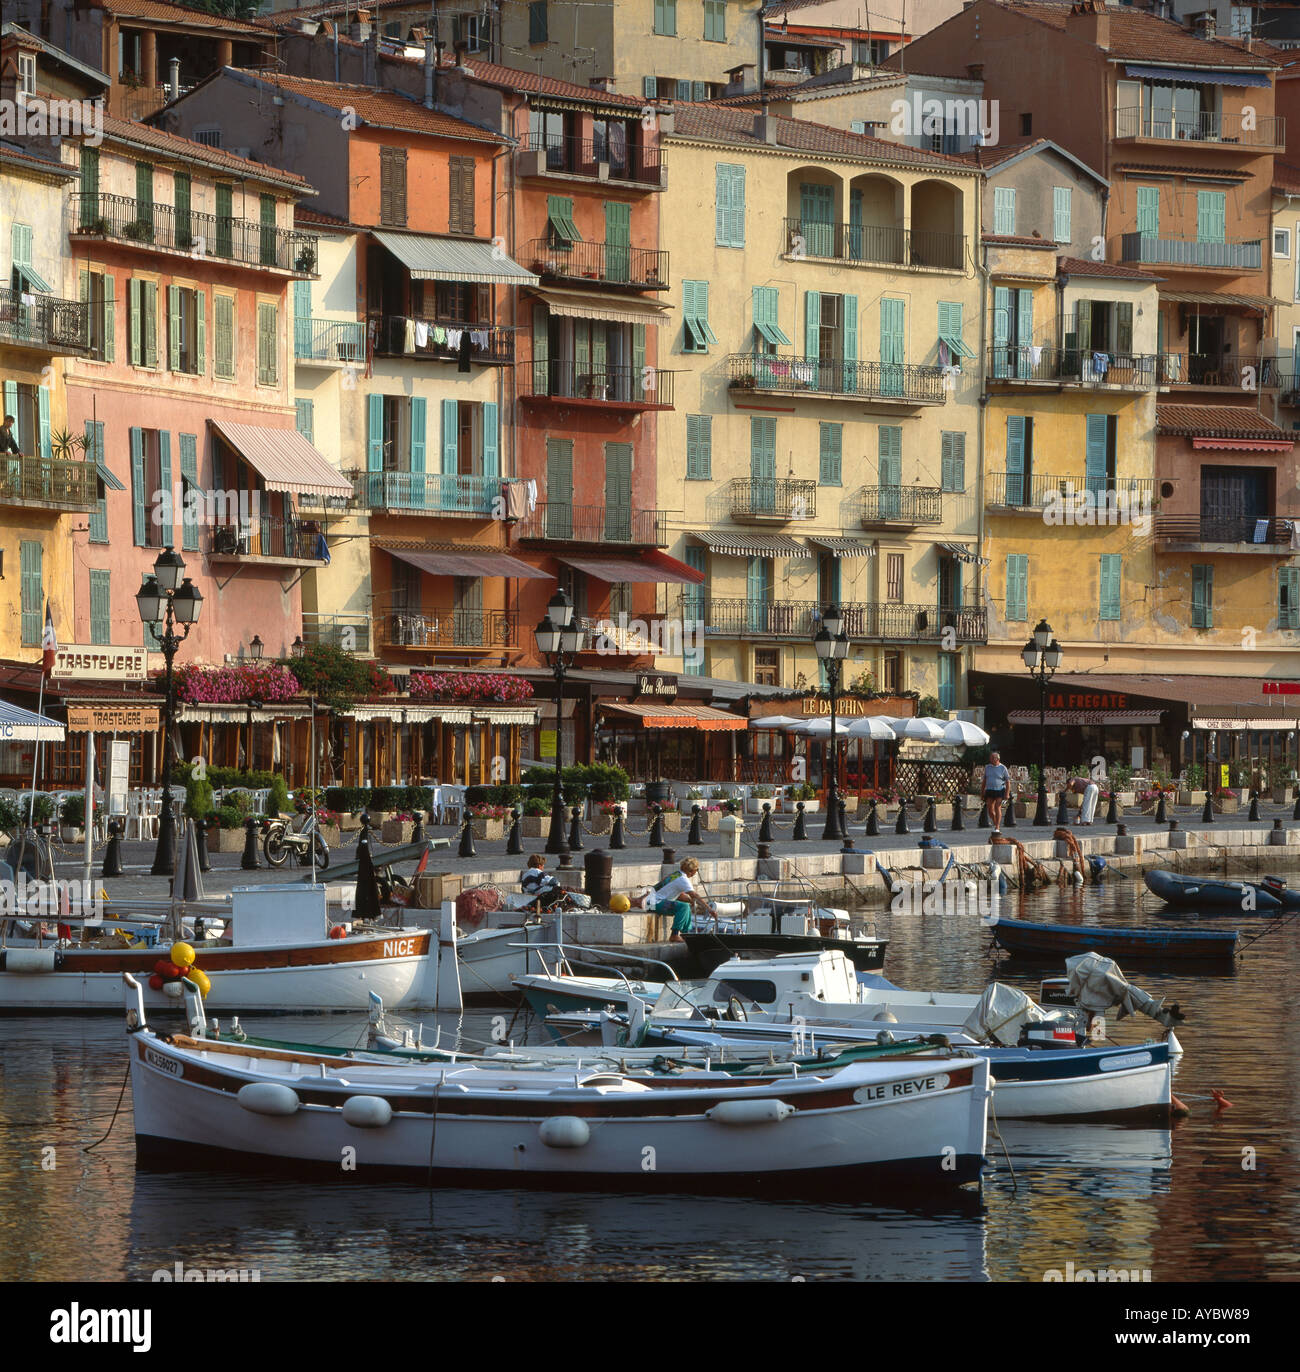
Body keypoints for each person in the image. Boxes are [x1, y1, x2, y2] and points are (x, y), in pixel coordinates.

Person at [630, 855, 711, 943]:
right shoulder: (683, 879)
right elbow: (694, 895)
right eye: (697, 869)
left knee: (686, 906)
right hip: (653, 903)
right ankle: (674, 935)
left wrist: (690, 901)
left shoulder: (676, 875)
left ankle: (686, 933)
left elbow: (679, 895)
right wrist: (709, 909)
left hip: (651, 901)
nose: (696, 872)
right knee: (683, 907)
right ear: (692, 871)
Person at [983, 751, 1011, 829]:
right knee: (990, 809)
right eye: (990, 757)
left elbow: (1008, 781)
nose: (990, 759)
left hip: (999, 789)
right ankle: (995, 822)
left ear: (997, 759)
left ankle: (997, 826)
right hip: (989, 790)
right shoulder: (987, 767)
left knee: (997, 807)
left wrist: (1007, 793)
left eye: (992, 758)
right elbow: (984, 780)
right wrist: (982, 792)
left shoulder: (1003, 768)